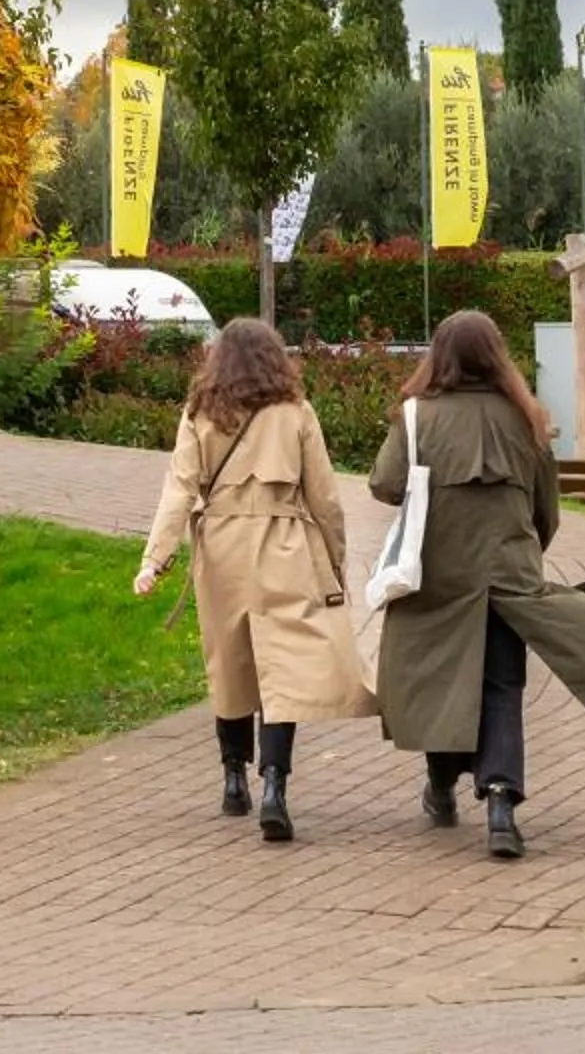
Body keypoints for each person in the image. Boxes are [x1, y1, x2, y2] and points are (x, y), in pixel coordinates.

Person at [369, 310, 585, 859]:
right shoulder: (527, 417)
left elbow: (384, 484)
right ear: (497, 356)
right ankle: (501, 804)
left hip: (437, 575)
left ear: (439, 356)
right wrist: (522, 559)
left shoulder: (416, 416)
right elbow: (546, 511)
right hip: (508, 576)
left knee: (439, 679)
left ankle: (441, 787)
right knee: (502, 687)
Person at [134, 316, 374, 842]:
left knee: (231, 663)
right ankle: (275, 787)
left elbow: (179, 488)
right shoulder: (297, 412)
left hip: (222, 550)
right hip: (284, 545)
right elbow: (325, 497)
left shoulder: (199, 413)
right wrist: (335, 560)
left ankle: (232, 779)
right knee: (281, 669)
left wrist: (154, 560)